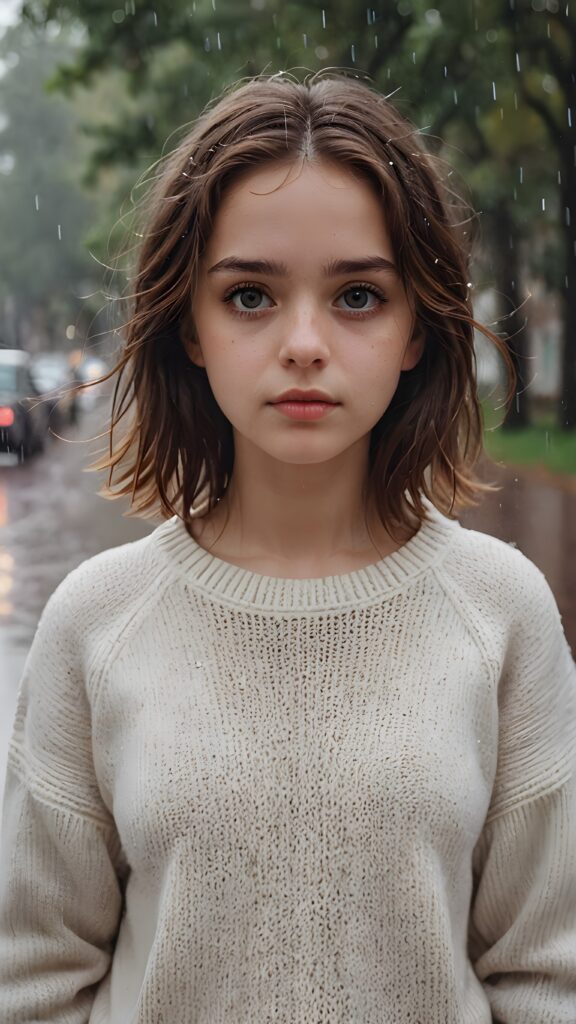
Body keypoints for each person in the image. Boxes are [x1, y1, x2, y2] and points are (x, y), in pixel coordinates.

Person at [0, 72, 575, 1024]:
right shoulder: (95, 623)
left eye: (356, 295)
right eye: (251, 296)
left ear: (411, 330)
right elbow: (33, 979)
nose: (304, 342)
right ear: (189, 324)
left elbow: (548, 976)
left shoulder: (502, 612)